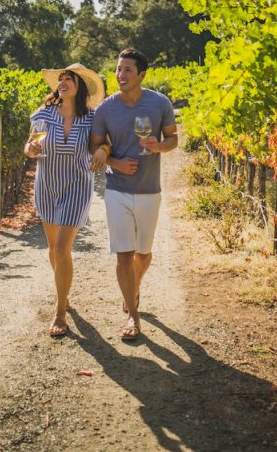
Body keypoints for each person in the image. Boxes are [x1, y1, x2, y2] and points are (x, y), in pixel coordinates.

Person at [89, 48, 178, 340]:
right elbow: (96, 147)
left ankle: (133, 289)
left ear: (141, 74)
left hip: (150, 189)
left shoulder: (159, 102)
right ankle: (133, 316)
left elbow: (173, 139)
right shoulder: (105, 109)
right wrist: (114, 162)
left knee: (144, 254)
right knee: (124, 256)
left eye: (127, 70)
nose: (120, 75)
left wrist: (158, 147)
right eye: (118, 69)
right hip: (117, 189)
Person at [24, 63, 107, 337]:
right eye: (60, 78)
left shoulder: (92, 118)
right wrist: (31, 149)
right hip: (47, 185)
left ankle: (60, 311)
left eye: (69, 78)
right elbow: (29, 146)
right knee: (52, 248)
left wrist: (102, 152)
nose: (62, 82)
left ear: (79, 86)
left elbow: (102, 144)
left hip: (77, 185)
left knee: (62, 249)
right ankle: (64, 294)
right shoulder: (44, 114)